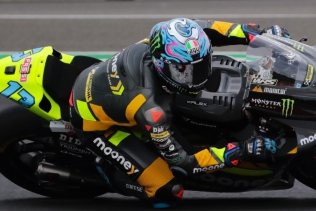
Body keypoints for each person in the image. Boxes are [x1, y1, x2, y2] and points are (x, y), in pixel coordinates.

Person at [69, 18, 289, 208]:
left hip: (109, 88)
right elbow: (184, 163)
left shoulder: (168, 39)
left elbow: (210, 28)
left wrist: (255, 35)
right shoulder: (152, 110)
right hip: (97, 126)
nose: (195, 77)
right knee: (167, 190)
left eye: (200, 65)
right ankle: (108, 170)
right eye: (183, 71)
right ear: (161, 63)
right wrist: (238, 151)